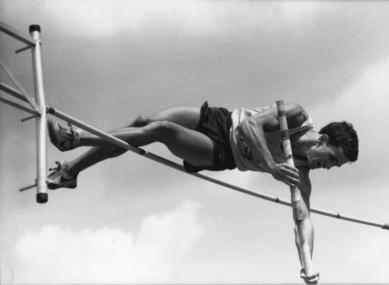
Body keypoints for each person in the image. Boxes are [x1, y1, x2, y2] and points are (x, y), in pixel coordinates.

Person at [46, 101, 358, 284]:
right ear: (323, 139)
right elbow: (249, 127)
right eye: (332, 159)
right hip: (223, 120)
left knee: (160, 132)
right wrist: (271, 166)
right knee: (144, 122)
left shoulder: (300, 174)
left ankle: (74, 138)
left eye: (335, 166)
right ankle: (71, 172)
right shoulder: (296, 116)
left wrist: (308, 263)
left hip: (221, 152)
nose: (329, 167)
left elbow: (303, 219)